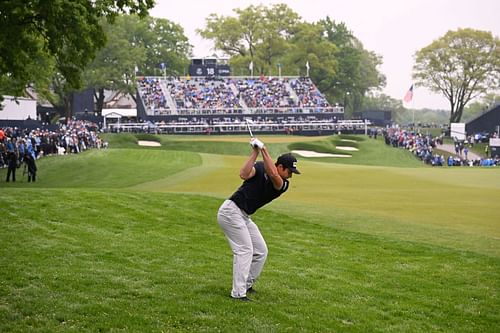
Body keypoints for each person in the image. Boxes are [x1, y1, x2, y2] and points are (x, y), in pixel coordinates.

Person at [217, 137, 301, 301]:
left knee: (261, 251)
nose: (291, 175)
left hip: (244, 216)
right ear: (280, 166)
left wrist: (264, 149)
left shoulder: (282, 184)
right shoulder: (261, 167)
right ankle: (238, 293)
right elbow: (243, 174)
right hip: (230, 211)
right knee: (245, 250)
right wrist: (255, 152)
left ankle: (247, 284)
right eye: (289, 171)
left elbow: (272, 174)